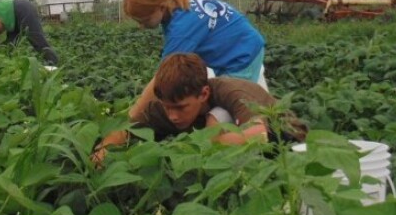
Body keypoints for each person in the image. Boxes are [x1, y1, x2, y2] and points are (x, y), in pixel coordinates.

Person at [92, 53, 306, 164]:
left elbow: (258, 135)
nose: (172, 116)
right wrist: (103, 149)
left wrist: (201, 144)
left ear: (203, 94)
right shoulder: (167, 106)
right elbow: (127, 128)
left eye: (180, 108)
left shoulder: (233, 92)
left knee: (219, 116)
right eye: (167, 108)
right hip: (235, 151)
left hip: (287, 142)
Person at [123, 0, 268, 123]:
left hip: (241, 56)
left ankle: (261, 132)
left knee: (224, 109)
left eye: (145, 20)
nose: (141, 26)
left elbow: (161, 79)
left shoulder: (182, 29)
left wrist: (133, 116)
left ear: (161, 7)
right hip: (243, 41)